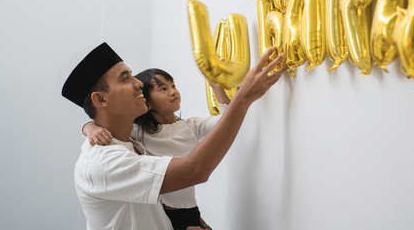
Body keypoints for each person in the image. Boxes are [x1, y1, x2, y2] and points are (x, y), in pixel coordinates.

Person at [62, 42, 285, 230]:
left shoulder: (129, 142)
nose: (138, 83)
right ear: (101, 100)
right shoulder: (103, 162)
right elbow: (195, 170)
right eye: (125, 78)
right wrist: (242, 98)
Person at [83, 68, 229, 229]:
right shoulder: (139, 133)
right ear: (148, 102)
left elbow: (226, 121)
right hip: (166, 211)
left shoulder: (191, 126)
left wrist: (216, 86)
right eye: (163, 89)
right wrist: (89, 127)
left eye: (173, 86)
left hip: (189, 209)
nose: (173, 92)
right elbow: (107, 127)